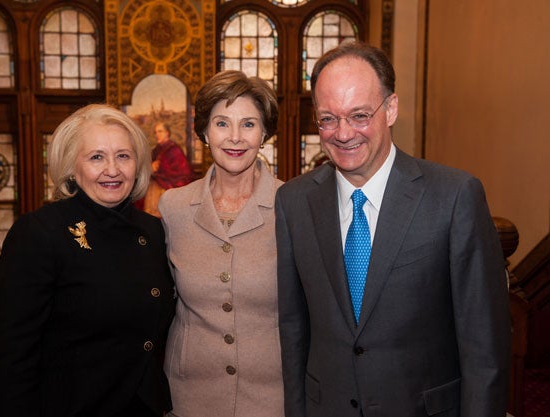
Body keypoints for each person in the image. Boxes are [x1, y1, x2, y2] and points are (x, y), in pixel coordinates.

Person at [275, 42, 511, 417]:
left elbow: (485, 349)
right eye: (328, 119)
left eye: (359, 115)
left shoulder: (454, 197)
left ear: (391, 109)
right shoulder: (293, 201)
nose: (343, 133)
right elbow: (293, 330)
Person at [0, 104, 176, 417]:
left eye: (123, 156)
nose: (113, 169)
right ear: (71, 168)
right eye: (96, 157)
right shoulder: (39, 233)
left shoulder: (153, 231)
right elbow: (13, 359)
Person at [158, 70, 284, 416]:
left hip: (272, 396)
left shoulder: (292, 205)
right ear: (203, 131)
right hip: (189, 395)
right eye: (221, 123)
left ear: (264, 133)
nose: (235, 137)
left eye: (248, 124)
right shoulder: (174, 207)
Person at [142, 121, 194, 217]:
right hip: (154, 189)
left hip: (169, 191)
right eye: (156, 132)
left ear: (167, 133)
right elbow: (148, 166)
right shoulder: (156, 150)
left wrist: (158, 169)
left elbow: (183, 174)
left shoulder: (174, 150)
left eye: (160, 131)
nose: (157, 134)